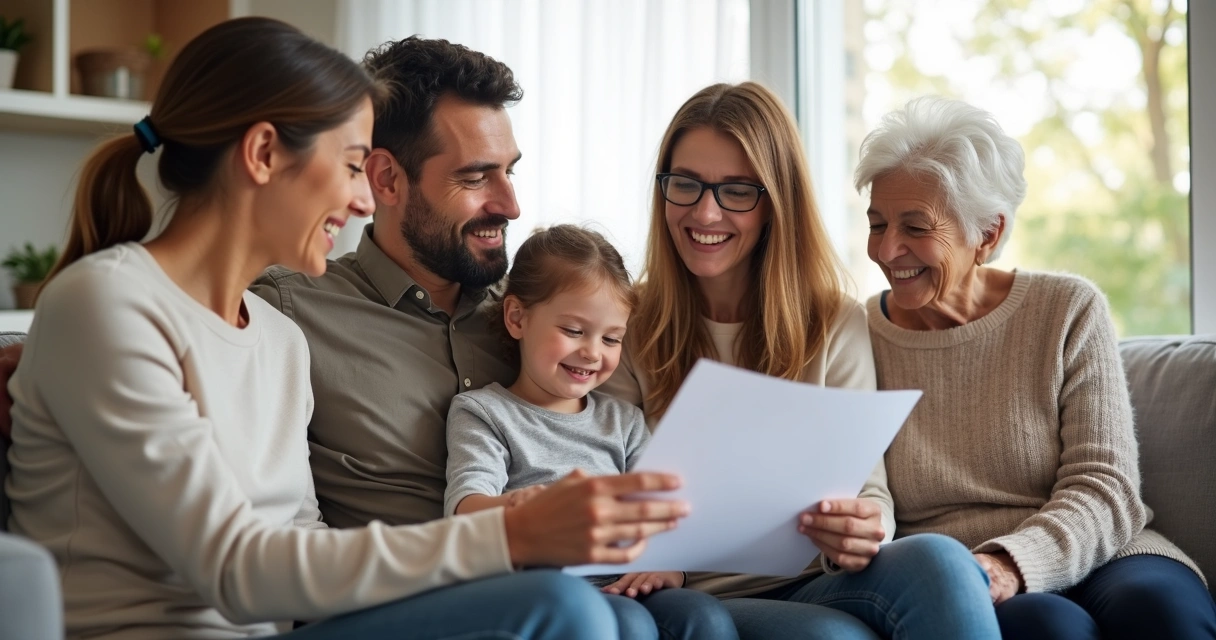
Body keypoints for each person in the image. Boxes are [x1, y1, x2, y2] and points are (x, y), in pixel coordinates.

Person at [4, 19, 688, 639]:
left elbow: (301, 535)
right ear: (265, 154)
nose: (363, 199)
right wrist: (511, 532)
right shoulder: (105, 304)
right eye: (354, 166)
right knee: (564, 612)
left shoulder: (277, 337)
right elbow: (237, 568)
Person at [600, 82, 1002, 639]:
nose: (705, 212)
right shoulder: (623, 325)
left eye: (737, 190)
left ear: (774, 203)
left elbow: (869, 491)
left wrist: (865, 528)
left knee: (941, 561)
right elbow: (597, 483)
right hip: (684, 593)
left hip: (810, 576)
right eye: (685, 185)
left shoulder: (832, 321)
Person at [857, 96, 1216, 640]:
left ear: (989, 234)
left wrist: (1011, 563)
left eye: (916, 227)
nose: (887, 249)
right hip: (958, 573)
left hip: (1101, 551)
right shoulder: (859, 336)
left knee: (1163, 613)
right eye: (877, 223)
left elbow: (1105, 486)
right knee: (1049, 628)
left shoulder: (1067, 309)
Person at [445, 224, 738, 640]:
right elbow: (465, 507)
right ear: (517, 317)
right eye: (573, 331)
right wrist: (522, 508)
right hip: (543, 589)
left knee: (705, 616)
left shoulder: (624, 421)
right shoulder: (483, 412)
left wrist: (668, 564)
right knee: (632, 624)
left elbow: (662, 512)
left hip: (626, 582)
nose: (592, 352)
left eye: (612, 338)